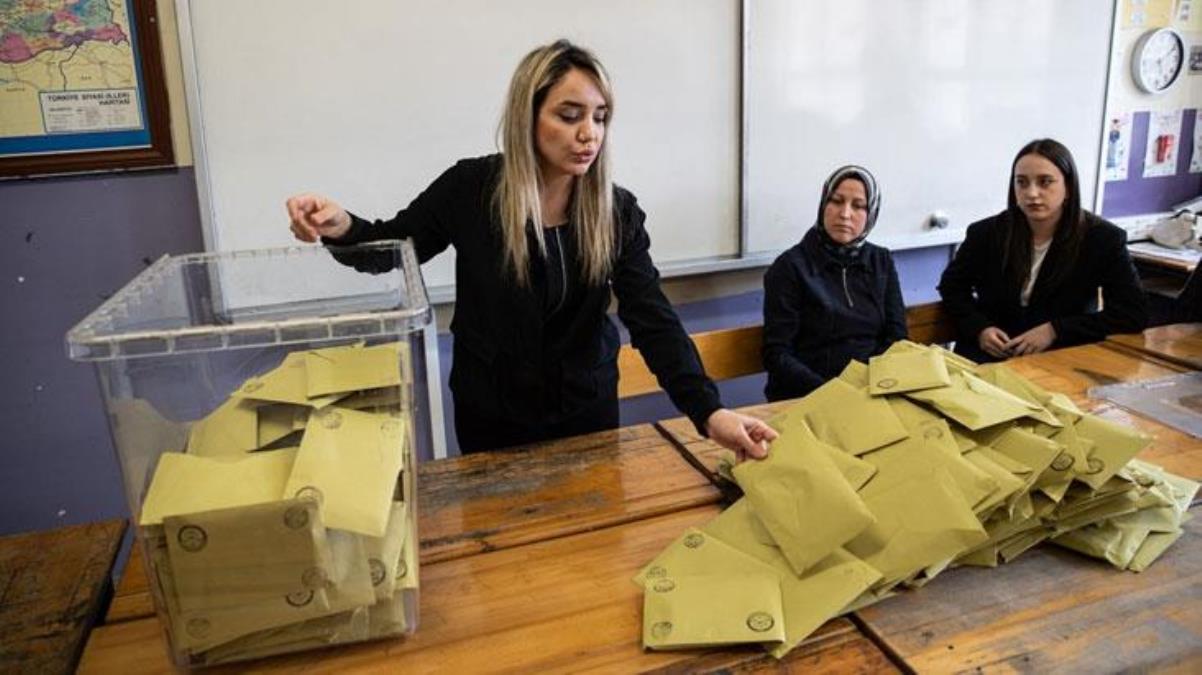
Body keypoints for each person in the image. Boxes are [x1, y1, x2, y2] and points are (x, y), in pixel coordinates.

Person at [285, 40, 775, 457]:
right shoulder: (470, 190)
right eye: (569, 115)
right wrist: (341, 225)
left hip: (587, 409)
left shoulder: (616, 212)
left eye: (600, 118)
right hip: (492, 416)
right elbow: (389, 250)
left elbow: (652, 318)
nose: (590, 134)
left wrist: (709, 412)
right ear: (529, 116)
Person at [938, 138, 1147, 363]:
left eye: (1045, 182)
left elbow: (1131, 314)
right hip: (988, 359)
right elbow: (952, 288)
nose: (1032, 193)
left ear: (1068, 187)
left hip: (1060, 359)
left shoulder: (1102, 239)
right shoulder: (987, 233)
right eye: (1022, 182)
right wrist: (980, 329)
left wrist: (1055, 330)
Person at [762, 165, 907, 401]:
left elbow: (897, 338)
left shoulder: (881, 261)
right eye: (837, 201)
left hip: (873, 391)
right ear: (823, 206)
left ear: (871, 213)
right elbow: (777, 354)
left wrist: (874, 384)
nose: (845, 214)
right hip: (808, 395)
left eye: (858, 205)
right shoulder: (790, 267)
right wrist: (833, 393)